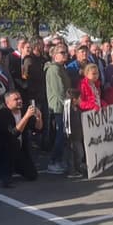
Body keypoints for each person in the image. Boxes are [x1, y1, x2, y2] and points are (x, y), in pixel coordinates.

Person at [0, 91, 42, 187]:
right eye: (16, 99)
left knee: (32, 175)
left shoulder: (23, 111)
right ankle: (5, 170)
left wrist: (39, 117)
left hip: (20, 149)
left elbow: (38, 128)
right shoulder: (3, 113)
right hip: (4, 150)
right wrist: (26, 117)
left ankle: (16, 166)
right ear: (7, 102)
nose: (19, 101)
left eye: (20, 98)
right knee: (6, 181)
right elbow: (14, 133)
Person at [44, 45, 71, 175]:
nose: (65, 54)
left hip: (64, 105)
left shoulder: (62, 68)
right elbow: (59, 91)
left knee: (63, 135)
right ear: (55, 55)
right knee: (61, 135)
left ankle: (58, 159)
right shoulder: (54, 69)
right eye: (62, 52)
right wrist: (68, 104)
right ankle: (53, 161)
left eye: (66, 52)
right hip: (59, 107)